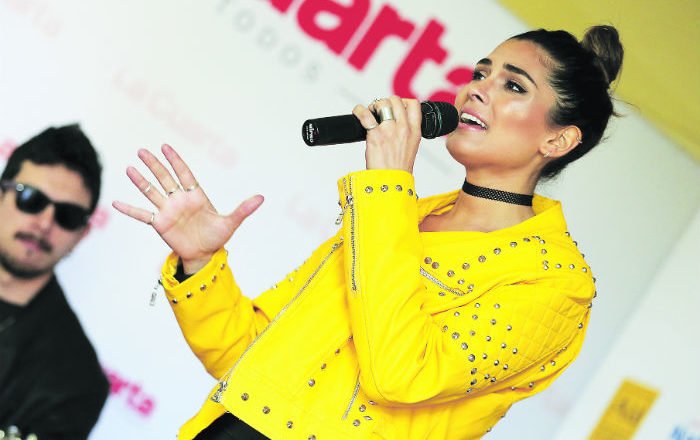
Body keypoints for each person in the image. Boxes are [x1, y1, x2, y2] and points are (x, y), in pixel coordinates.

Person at [113, 25, 623, 439]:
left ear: (559, 140)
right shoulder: (400, 216)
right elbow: (247, 357)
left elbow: (400, 375)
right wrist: (201, 262)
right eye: (480, 73)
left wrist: (387, 186)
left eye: (513, 86)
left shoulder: (554, 284)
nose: (475, 90)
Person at [0, 125, 108, 439]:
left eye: (67, 215)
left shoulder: (77, 383)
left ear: (82, 234)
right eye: (31, 199)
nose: (45, 223)